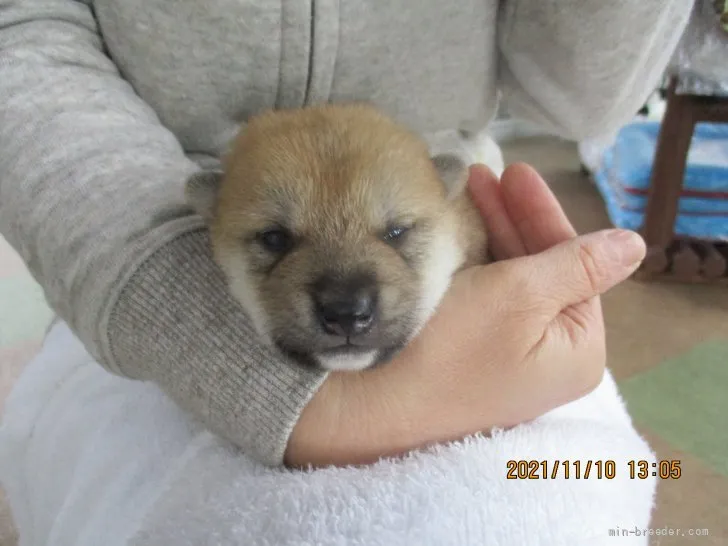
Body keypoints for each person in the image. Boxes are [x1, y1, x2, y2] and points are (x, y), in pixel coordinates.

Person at [0, 0, 691, 468]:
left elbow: (582, 101)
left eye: (395, 234)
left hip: (478, 242)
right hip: (132, 235)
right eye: (276, 241)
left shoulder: (455, 199)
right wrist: (187, 320)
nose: (347, 299)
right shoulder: (196, 218)